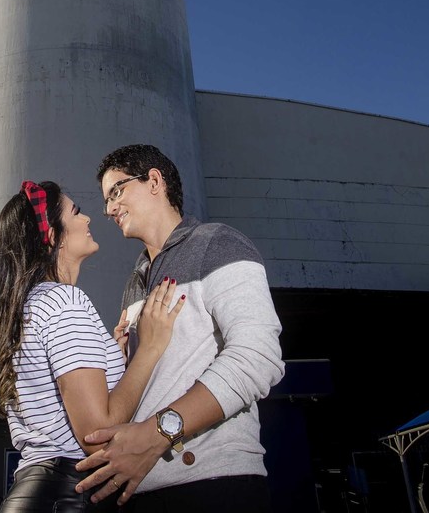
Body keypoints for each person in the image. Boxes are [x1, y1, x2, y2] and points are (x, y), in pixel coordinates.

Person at [74, 144, 285, 511]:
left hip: (213, 486)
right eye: (106, 200)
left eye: (116, 191)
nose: (108, 209)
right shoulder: (134, 282)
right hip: (138, 488)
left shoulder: (218, 244)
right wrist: (118, 362)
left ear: (154, 181)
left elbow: (258, 357)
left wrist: (158, 432)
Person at [0, 180, 185, 512]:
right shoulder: (65, 302)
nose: (88, 219)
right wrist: (148, 347)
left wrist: (111, 358)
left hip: (36, 491)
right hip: (68, 494)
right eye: (76, 212)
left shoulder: (30, 307)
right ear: (52, 236)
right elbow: (97, 434)